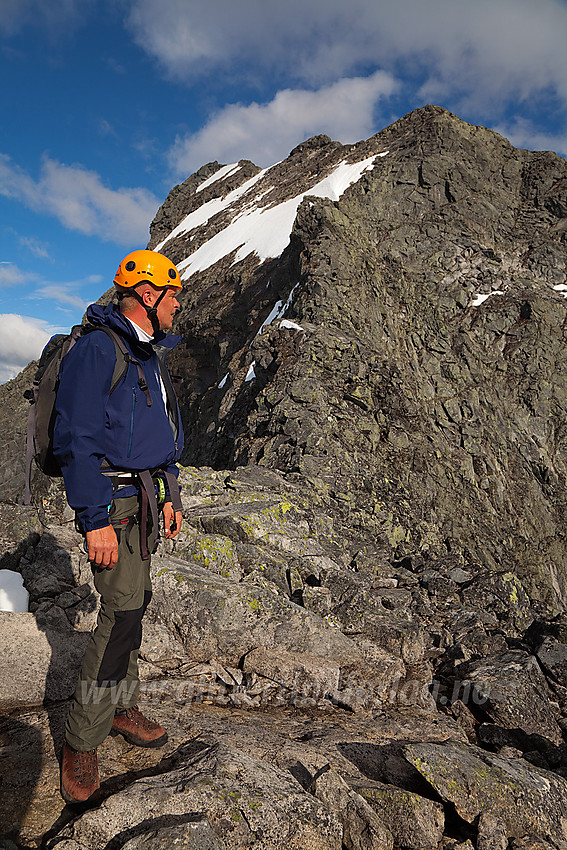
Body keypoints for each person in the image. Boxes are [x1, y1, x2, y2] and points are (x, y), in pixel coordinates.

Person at [53, 249, 184, 804]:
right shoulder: (96, 351)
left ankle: (120, 704)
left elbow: (160, 431)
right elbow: (75, 441)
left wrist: (170, 492)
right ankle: (82, 738)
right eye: (173, 294)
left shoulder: (145, 351)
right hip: (112, 504)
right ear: (148, 296)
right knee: (121, 611)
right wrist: (93, 521)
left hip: (145, 500)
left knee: (137, 601)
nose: (179, 304)